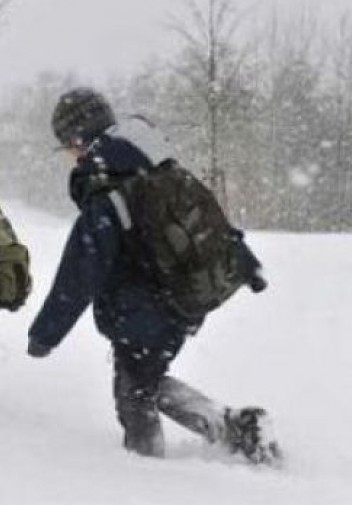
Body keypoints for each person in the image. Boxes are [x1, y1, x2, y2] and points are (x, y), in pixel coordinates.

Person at [27, 87, 280, 463]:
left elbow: (80, 272)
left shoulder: (108, 190)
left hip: (145, 308)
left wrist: (45, 335)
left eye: (67, 146)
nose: (70, 156)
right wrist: (246, 264)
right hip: (184, 296)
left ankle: (150, 478)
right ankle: (231, 429)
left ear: (78, 140)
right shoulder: (160, 167)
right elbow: (210, 221)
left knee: (134, 395)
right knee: (144, 379)